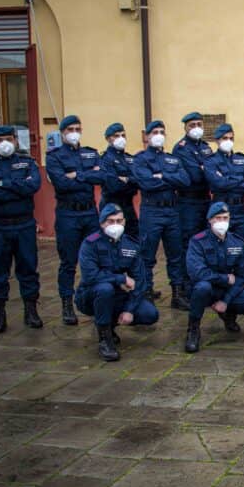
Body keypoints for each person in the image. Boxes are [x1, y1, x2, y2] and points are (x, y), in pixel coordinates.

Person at [0, 124, 43, 332]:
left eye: (9, 139)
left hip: (24, 225)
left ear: (15, 140)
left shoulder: (27, 162)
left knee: (28, 268)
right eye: (0, 140)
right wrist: (17, 185)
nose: (5, 144)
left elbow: (34, 186)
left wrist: (1, 184)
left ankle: (31, 310)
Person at [76, 203, 159, 361]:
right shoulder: (90, 244)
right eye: (110, 221)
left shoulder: (131, 245)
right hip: (89, 295)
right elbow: (90, 276)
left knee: (150, 314)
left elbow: (140, 280)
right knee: (104, 288)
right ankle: (104, 339)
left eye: (119, 221)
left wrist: (129, 309)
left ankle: (109, 324)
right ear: (101, 223)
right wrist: (120, 278)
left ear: (124, 222)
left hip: (117, 295)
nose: (116, 225)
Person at [184, 202, 244, 353]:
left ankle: (227, 313)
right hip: (204, 289)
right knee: (203, 286)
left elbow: (241, 278)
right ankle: (193, 329)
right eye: (218, 218)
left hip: (226, 291)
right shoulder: (197, 241)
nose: (222, 222)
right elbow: (197, 273)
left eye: (225, 218)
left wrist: (226, 300)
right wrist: (224, 278)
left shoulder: (237, 242)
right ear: (210, 220)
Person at [46, 114, 102, 325]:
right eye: (70, 129)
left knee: (97, 258)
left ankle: (94, 301)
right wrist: (86, 174)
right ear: (62, 133)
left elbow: (101, 177)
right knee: (68, 262)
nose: (74, 132)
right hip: (67, 214)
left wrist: (75, 175)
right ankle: (67, 304)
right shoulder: (54, 156)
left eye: (77, 128)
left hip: (89, 213)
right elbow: (61, 183)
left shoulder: (90, 153)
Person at [133, 119, 191, 309]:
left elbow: (185, 181)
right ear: (147, 136)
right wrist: (170, 178)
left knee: (176, 253)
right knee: (147, 254)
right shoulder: (140, 159)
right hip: (152, 210)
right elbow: (146, 183)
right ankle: (146, 291)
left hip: (172, 211)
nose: (158, 135)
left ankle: (177, 293)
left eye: (161, 132)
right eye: (154, 132)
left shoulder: (172, 158)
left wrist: (161, 176)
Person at [173, 112, 215, 296]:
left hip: (206, 199)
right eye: (192, 125)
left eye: (199, 124)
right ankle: (186, 286)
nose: (196, 128)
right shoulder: (181, 148)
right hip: (188, 201)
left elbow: (212, 171)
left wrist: (207, 170)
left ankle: (202, 280)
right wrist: (208, 170)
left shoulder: (206, 147)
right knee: (188, 243)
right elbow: (193, 177)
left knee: (205, 242)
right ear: (185, 127)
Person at [204, 123, 244, 247]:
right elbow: (219, 183)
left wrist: (227, 179)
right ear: (217, 140)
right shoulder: (210, 161)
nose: (229, 141)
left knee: (240, 247)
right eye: (225, 138)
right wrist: (240, 179)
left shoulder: (242, 159)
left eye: (231, 138)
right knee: (218, 246)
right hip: (220, 208)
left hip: (239, 210)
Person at [98, 122, 139, 240]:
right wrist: (131, 181)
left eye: (123, 135)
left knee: (133, 240)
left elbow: (139, 181)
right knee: (111, 240)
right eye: (116, 136)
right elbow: (113, 185)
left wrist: (126, 179)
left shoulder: (129, 159)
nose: (121, 138)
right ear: (108, 139)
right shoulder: (105, 159)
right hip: (111, 206)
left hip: (128, 207)